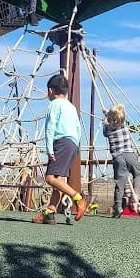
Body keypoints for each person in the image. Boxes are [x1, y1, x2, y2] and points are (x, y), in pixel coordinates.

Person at [32, 72, 88, 223]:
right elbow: (78, 127)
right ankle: (49, 214)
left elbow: (50, 128)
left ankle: (78, 198)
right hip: (72, 143)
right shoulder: (71, 106)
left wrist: (50, 149)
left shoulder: (54, 105)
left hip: (61, 142)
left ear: (50, 90)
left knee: (50, 178)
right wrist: (76, 147)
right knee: (58, 179)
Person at [102, 103, 140, 218]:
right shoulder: (124, 125)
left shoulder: (107, 128)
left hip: (118, 157)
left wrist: (105, 115)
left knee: (120, 183)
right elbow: (115, 118)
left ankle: (118, 207)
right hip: (130, 155)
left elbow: (107, 124)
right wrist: (108, 114)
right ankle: (135, 195)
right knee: (138, 174)